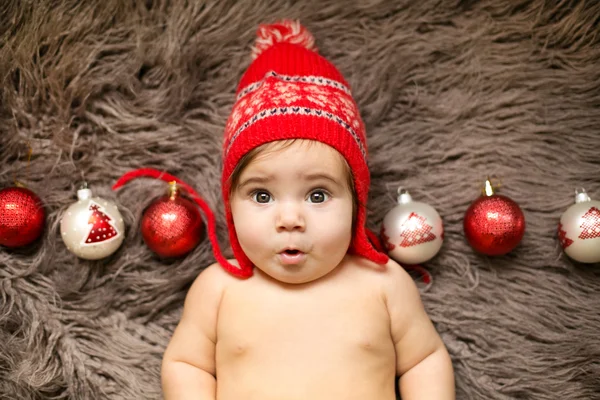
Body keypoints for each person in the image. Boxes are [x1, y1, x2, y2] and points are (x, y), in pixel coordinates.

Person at [161, 20, 455, 400]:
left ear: (357, 203)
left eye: (317, 195)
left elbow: (423, 360)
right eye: (262, 196)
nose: (289, 220)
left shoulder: (383, 284)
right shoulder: (219, 289)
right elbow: (187, 365)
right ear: (230, 205)